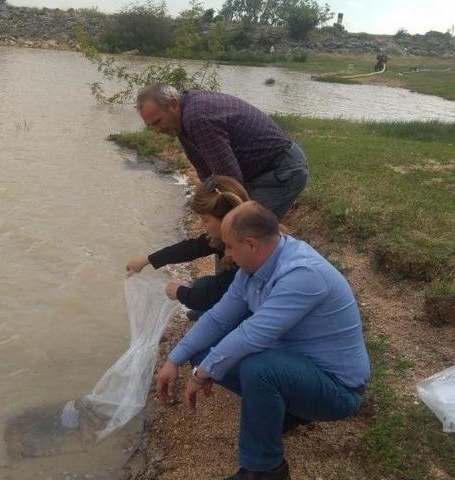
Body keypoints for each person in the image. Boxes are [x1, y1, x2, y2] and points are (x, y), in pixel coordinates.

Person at [155, 201, 370, 480]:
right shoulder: (254, 269)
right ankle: (284, 410)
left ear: (251, 244)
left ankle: (265, 469)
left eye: (230, 247)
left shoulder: (302, 274)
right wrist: (175, 359)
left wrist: (200, 375)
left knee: (259, 367)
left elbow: (252, 335)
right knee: (201, 351)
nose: (227, 256)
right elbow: (219, 317)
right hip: (297, 367)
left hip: (338, 389)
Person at [136, 83, 309, 221]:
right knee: (228, 232)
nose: (157, 130)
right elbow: (205, 172)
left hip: (281, 172)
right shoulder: (181, 122)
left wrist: (218, 216)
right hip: (261, 171)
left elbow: (229, 180)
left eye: (158, 122)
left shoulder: (197, 117)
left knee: (242, 230)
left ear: (173, 104)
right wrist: (207, 205)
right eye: (152, 126)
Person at [126, 175, 248, 320]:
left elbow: (211, 294)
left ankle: (221, 318)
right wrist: (147, 260)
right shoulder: (229, 236)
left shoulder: (242, 257)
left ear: (226, 219)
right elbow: (190, 248)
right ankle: (211, 312)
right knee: (202, 285)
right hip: (238, 294)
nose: (202, 225)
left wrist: (179, 292)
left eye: (205, 220)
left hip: (251, 309)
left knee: (203, 291)